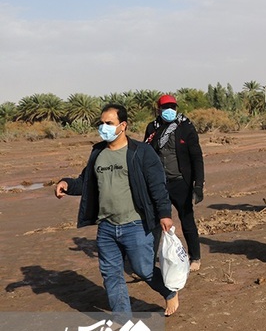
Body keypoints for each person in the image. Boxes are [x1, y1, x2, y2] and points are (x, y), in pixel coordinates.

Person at [54, 104, 180, 317]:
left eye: (109, 123)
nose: (104, 127)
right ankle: (122, 317)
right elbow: (85, 182)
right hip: (107, 227)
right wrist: (66, 184)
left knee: (144, 269)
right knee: (111, 273)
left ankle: (169, 292)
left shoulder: (141, 152)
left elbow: (157, 185)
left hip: (136, 224)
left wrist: (164, 214)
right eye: (101, 123)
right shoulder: (97, 153)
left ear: (123, 125)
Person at [144, 94, 205, 271]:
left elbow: (197, 158)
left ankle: (195, 258)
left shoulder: (186, 127)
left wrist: (198, 185)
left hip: (181, 182)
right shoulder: (152, 128)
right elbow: (146, 154)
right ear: (159, 109)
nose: (169, 110)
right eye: (165, 107)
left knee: (187, 220)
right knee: (155, 222)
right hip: (159, 184)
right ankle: (149, 261)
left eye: (172, 106)